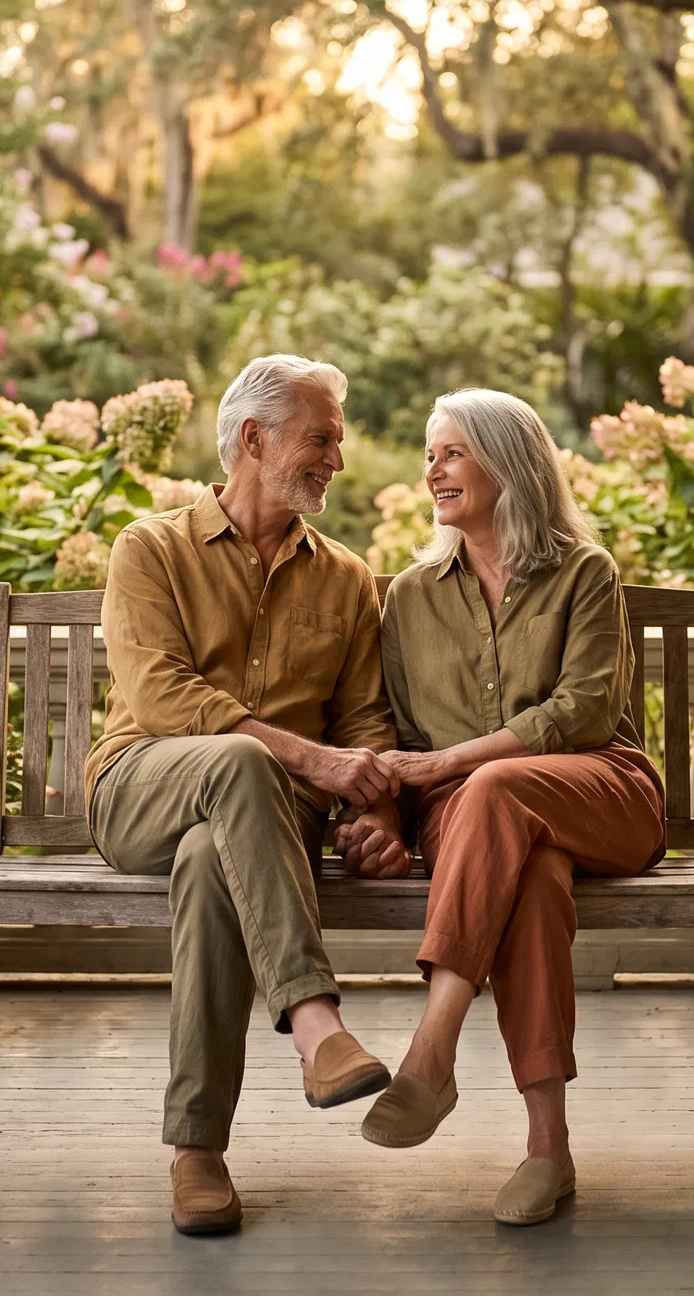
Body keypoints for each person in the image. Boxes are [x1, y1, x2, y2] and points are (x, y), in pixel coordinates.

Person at [87, 354, 412, 1237]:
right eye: (321, 440)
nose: (335, 461)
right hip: (140, 786)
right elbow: (164, 701)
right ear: (254, 439)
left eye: (337, 444)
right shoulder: (149, 549)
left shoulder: (346, 578)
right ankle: (316, 1024)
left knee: (209, 859)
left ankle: (197, 1150)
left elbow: (367, 722)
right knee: (236, 762)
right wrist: (318, 764)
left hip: (264, 827)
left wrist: (373, 811)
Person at [357, 388, 666, 1227]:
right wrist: (386, 817)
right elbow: (390, 728)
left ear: (510, 460)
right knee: (530, 882)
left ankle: (434, 1043)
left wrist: (458, 759)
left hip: (599, 787)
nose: (433, 470)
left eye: (452, 452)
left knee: (496, 785)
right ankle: (549, 1151)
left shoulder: (583, 572)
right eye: (430, 454)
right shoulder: (411, 597)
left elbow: (584, 712)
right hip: (473, 825)